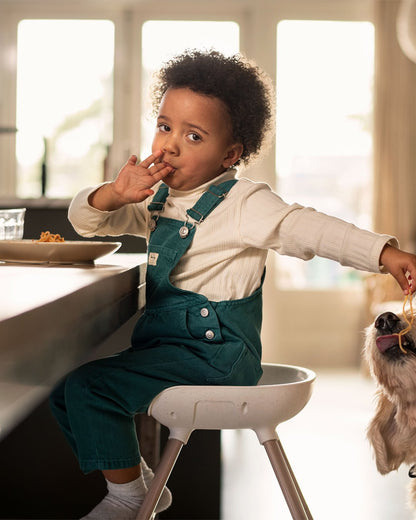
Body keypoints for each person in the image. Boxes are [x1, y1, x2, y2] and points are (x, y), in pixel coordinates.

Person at [50, 49, 416, 520]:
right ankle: (142, 487)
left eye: (193, 135)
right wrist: (113, 193)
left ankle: (127, 499)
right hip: (169, 352)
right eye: (165, 126)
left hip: (217, 356)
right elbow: (86, 221)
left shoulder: (245, 202)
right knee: (67, 392)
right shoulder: (158, 200)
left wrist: (384, 254)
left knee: (90, 387)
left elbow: (308, 228)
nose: (171, 145)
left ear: (230, 154)